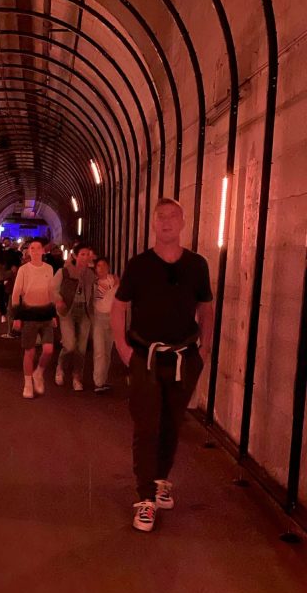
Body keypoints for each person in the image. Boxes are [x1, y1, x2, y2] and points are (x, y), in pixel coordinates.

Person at [111, 197, 214, 533]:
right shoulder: (139, 265)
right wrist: (123, 348)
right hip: (145, 356)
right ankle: (144, 499)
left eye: (173, 216)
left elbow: (206, 307)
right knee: (146, 425)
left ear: (183, 222)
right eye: (161, 217)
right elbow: (119, 306)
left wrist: (205, 348)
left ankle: (160, 480)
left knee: (172, 423)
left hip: (184, 358)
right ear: (153, 224)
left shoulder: (197, 265)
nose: (167, 222)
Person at [11, 238, 57, 399]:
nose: (36, 251)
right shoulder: (24, 270)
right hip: (29, 314)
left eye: (38, 248)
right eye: (32, 248)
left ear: (43, 251)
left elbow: (51, 292)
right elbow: (16, 294)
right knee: (29, 351)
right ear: (28, 251)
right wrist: (17, 316)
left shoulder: (49, 269)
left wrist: (53, 314)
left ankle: (39, 372)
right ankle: (28, 383)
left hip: (45, 313)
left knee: (48, 349)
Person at [50, 241, 96, 391]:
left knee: (81, 348)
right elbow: (53, 289)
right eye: (82, 254)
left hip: (84, 311)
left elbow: (98, 289)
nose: (85, 257)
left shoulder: (90, 274)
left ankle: (77, 376)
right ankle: (60, 368)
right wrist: (58, 300)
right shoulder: (65, 271)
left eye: (87, 254)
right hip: (68, 310)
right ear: (75, 255)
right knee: (69, 345)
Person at [92, 255, 119, 393]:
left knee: (108, 351)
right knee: (99, 351)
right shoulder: (94, 284)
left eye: (103, 265)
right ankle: (98, 382)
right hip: (98, 318)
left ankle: (103, 380)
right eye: (98, 266)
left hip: (112, 318)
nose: (101, 268)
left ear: (108, 267)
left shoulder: (114, 279)